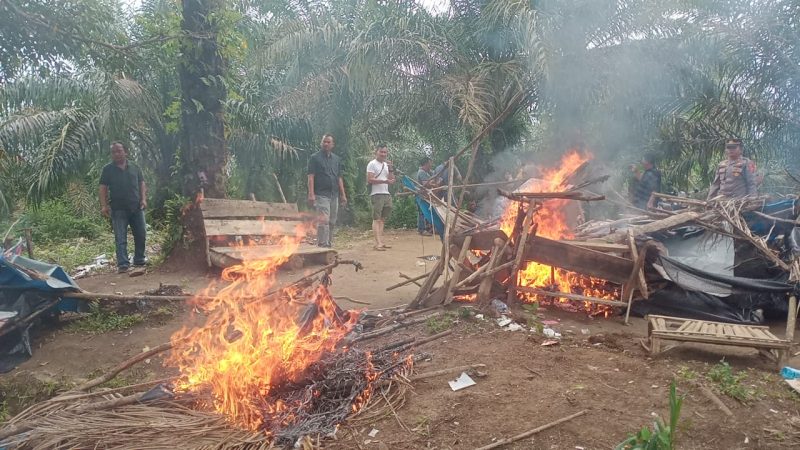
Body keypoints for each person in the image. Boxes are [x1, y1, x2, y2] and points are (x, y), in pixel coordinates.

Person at [99, 142, 147, 274]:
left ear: (125, 152)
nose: (116, 154)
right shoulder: (107, 169)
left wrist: (143, 199)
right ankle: (123, 264)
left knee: (141, 234)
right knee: (120, 237)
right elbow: (103, 188)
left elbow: (141, 183)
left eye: (119, 151)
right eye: (113, 152)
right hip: (118, 208)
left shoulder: (135, 167)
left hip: (136, 206)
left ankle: (139, 259)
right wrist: (104, 206)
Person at [307, 134, 348, 248]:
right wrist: (311, 194)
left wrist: (343, 195)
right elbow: (311, 176)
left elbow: (339, 178)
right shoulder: (314, 158)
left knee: (332, 221)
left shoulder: (336, 159)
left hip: (334, 194)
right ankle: (322, 244)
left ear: (332, 144)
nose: (326, 144)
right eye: (324, 141)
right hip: (321, 194)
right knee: (323, 220)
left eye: (328, 142)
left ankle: (328, 244)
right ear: (321, 143)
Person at [366, 144, 395, 250]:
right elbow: (370, 179)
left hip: (386, 193)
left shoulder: (387, 165)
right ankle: (377, 243)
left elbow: (392, 180)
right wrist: (384, 181)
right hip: (376, 194)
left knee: (383, 219)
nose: (383, 154)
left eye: (385, 152)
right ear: (376, 152)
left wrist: (391, 169)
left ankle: (381, 242)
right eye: (381, 152)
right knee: (376, 219)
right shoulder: (372, 164)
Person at [416, 157, 435, 236]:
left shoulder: (427, 172)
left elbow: (434, 174)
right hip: (421, 195)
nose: (431, 165)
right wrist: (434, 183)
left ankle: (427, 228)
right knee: (422, 212)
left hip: (426, 195)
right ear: (426, 164)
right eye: (430, 163)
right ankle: (422, 229)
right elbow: (426, 184)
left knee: (426, 211)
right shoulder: (421, 172)